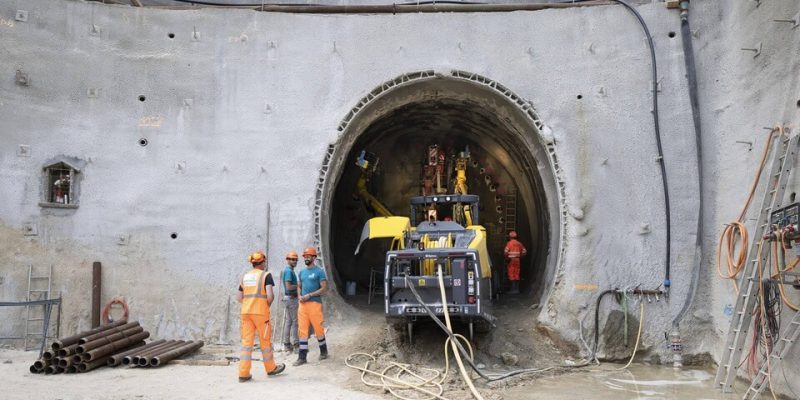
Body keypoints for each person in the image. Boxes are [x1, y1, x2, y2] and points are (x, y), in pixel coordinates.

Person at [236, 251, 285, 382]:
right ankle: (270, 368)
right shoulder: (266, 275)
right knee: (265, 342)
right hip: (260, 313)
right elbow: (270, 295)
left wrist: (249, 304)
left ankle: (243, 374)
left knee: (247, 343)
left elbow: (239, 297)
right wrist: (264, 305)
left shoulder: (245, 276)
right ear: (262, 262)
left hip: (246, 313)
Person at [293, 247, 328, 366]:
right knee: (302, 330)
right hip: (302, 305)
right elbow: (299, 286)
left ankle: (324, 351)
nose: (306, 258)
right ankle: (302, 357)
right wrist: (299, 296)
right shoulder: (302, 272)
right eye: (305, 256)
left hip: (315, 304)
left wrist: (310, 295)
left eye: (308, 256)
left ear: (314, 257)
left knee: (318, 328)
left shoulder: (319, 272)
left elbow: (324, 288)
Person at [281, 251, 300, 353]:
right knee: (295, 322)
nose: (295, 261)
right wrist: (299, 285)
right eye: (292, 259)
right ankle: (296, 345)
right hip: (291, 298)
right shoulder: (289, 271)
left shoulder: (289, 271)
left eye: (296, 259)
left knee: (289, 322)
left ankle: (287, 344)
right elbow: (288, 286)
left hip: (288, 298)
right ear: (287, 260)